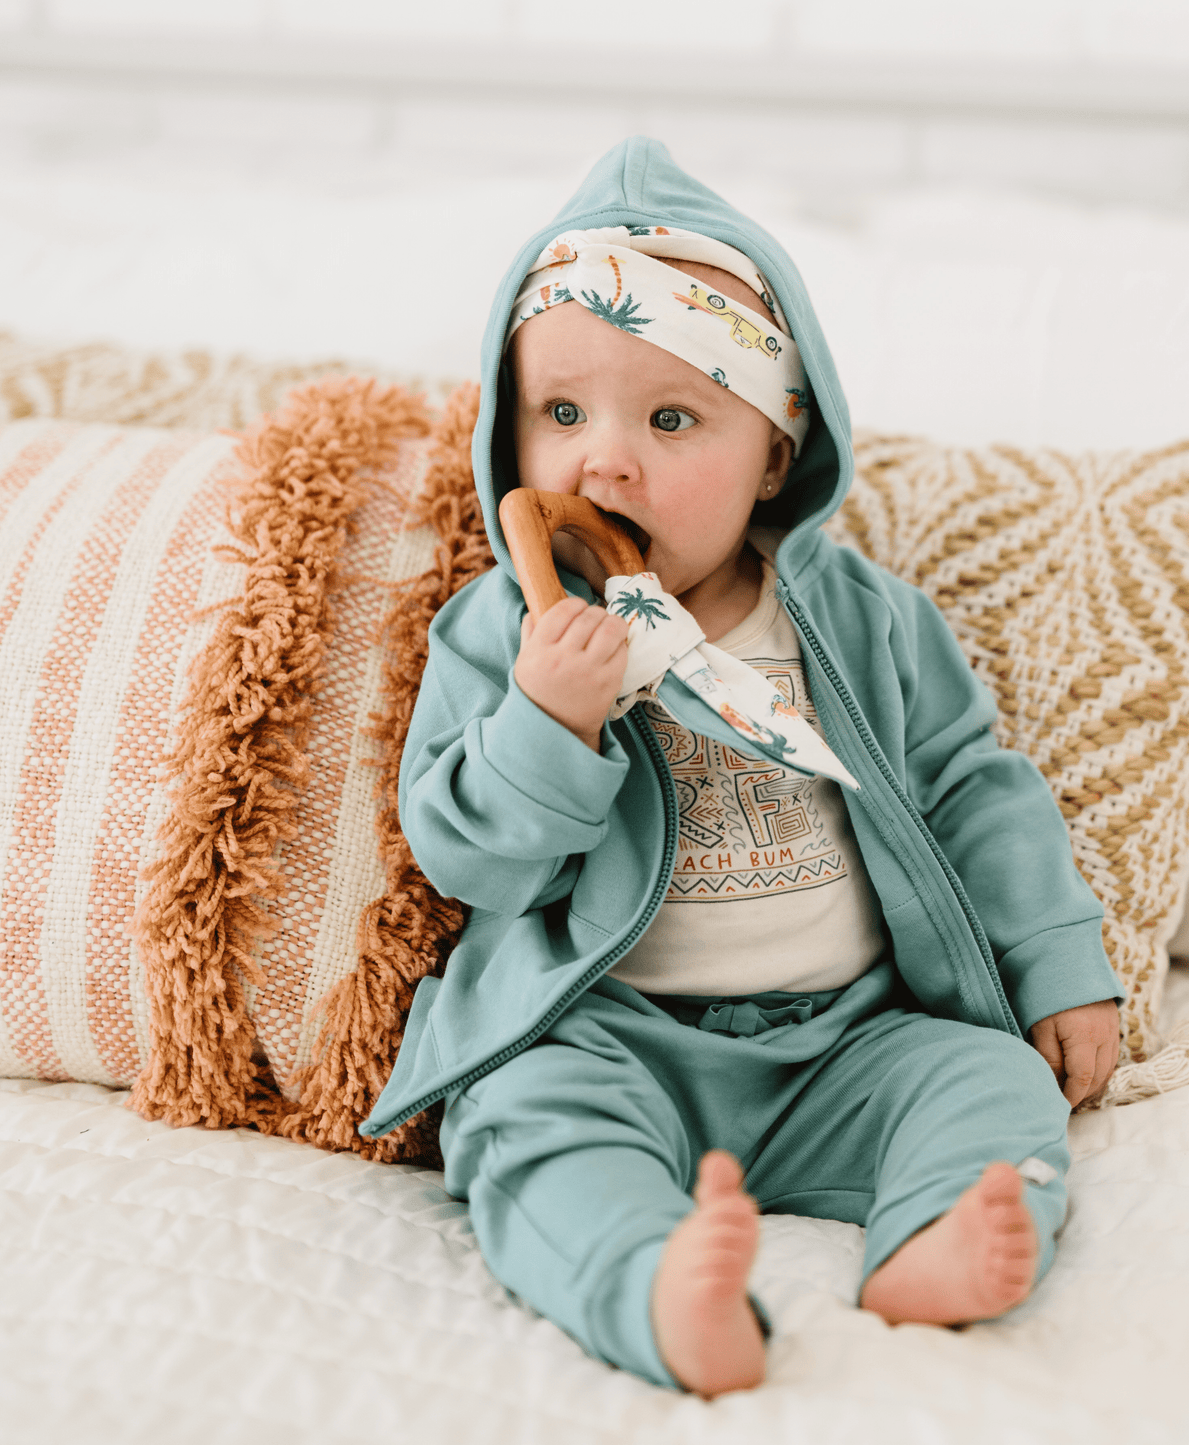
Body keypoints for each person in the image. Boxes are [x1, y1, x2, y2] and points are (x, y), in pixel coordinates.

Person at [361, 137, 1122, 1397]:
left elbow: (969, 783)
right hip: (606, 1030)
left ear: (773, 451)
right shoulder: (506, 632)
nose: (604, 460)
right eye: (561, 413)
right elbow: (465, 860)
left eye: (671, 417)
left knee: (987, 1083)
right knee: (515, 1119)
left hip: (847, 1039)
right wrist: (546, 723)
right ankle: (651, 1280)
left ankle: (939, 1238)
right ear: (509, 433)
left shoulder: (858, 617)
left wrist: (1051, 958)